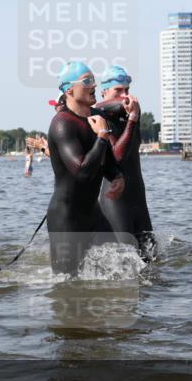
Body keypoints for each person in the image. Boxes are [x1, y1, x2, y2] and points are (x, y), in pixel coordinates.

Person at [46, 61, 125, 275]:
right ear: (69, 89)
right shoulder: (62, 123)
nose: (94, 85)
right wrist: (101, 136)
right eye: (87, 81)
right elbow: (82, 172)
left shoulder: (96, 118)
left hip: (93, 215)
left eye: (94, 80)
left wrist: (117, 176)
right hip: (66, 220)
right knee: (67, 284)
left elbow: (105, 160)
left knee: (122, 271)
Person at [96, 65, 155, 261]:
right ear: (104, 92)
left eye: (127, 90)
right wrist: (132, 119)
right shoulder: (98, 117)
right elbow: (117, 157)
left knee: (151, 258)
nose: (124, 96)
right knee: (126, 258)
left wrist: (132, 116)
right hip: (115, 198)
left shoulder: (131, 111)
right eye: (118, 91)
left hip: (138, 194)